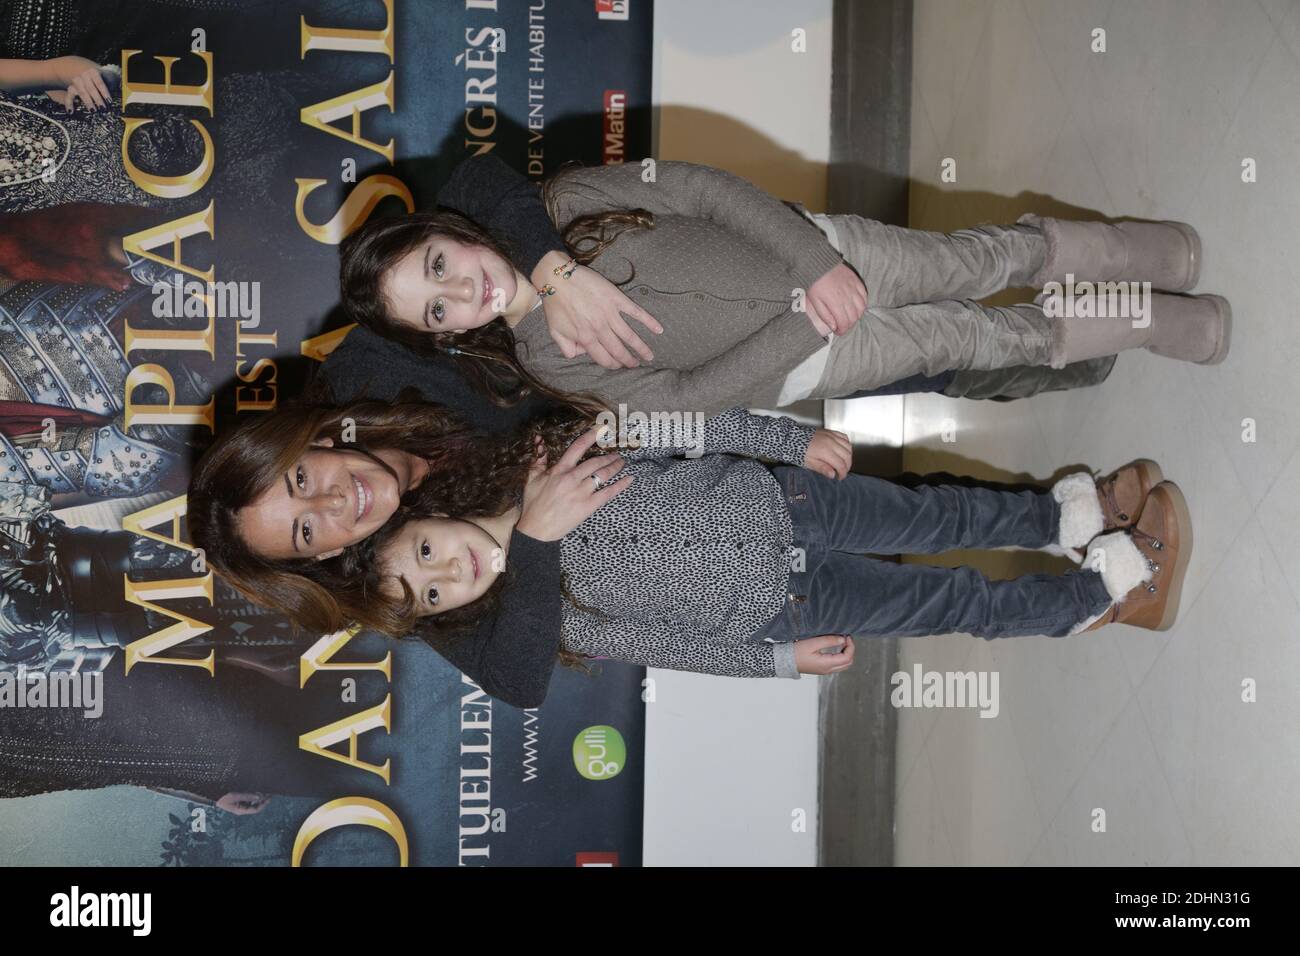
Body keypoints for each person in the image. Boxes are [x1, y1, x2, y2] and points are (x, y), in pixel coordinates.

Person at [347, 405, 1190, 685]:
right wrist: (781, 665)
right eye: (428, 595)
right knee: (949, 599)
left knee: (942, 516)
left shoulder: (543, 457)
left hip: (788, 500)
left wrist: (781, 442)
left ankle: (1066, 521)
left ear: (427, 513)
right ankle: (1094, 598)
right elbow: (673, 650)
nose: (443, 572)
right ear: (450, 615)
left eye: (420, 553)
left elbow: (677, 425)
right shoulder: (557, 620)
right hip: (789, 609)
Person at [337, 154, 1228, 418]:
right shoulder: (550, 363)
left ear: (451, 229)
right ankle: (1143, 324)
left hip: (827, 250)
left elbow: (698, 188)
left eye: (440, 266)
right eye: (439, 310)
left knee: (982, 261)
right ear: (450, 335)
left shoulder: (564, 203)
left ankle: (1121, 251)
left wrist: (812, 267)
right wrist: (806, 328)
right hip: (811, 363)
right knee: (982, 340)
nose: (462, 291)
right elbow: (683, 397)